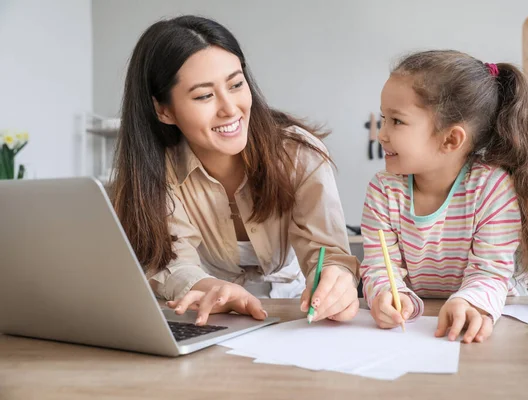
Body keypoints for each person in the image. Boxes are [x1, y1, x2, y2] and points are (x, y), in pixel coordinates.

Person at [111, 15, 359, 326]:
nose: (230, 108)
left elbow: (326, 252)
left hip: (298, 312)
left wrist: (337, 280)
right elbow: (169, 261)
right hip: (211, 314)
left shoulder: (298, 154)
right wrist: (212, 289)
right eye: (204, 95)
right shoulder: (157, 171)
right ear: (163, 110)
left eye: (236, 84)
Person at [360, 50, 528, 343]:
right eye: (384, 118)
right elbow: (379, 266)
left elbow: (490, 272)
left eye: (396, 121)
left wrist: (471, 303)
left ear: (451, 139)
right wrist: (385, 294)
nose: (381, 134)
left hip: (483, 326)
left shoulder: (492, 188)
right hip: (415, 329)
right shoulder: (383, 189)